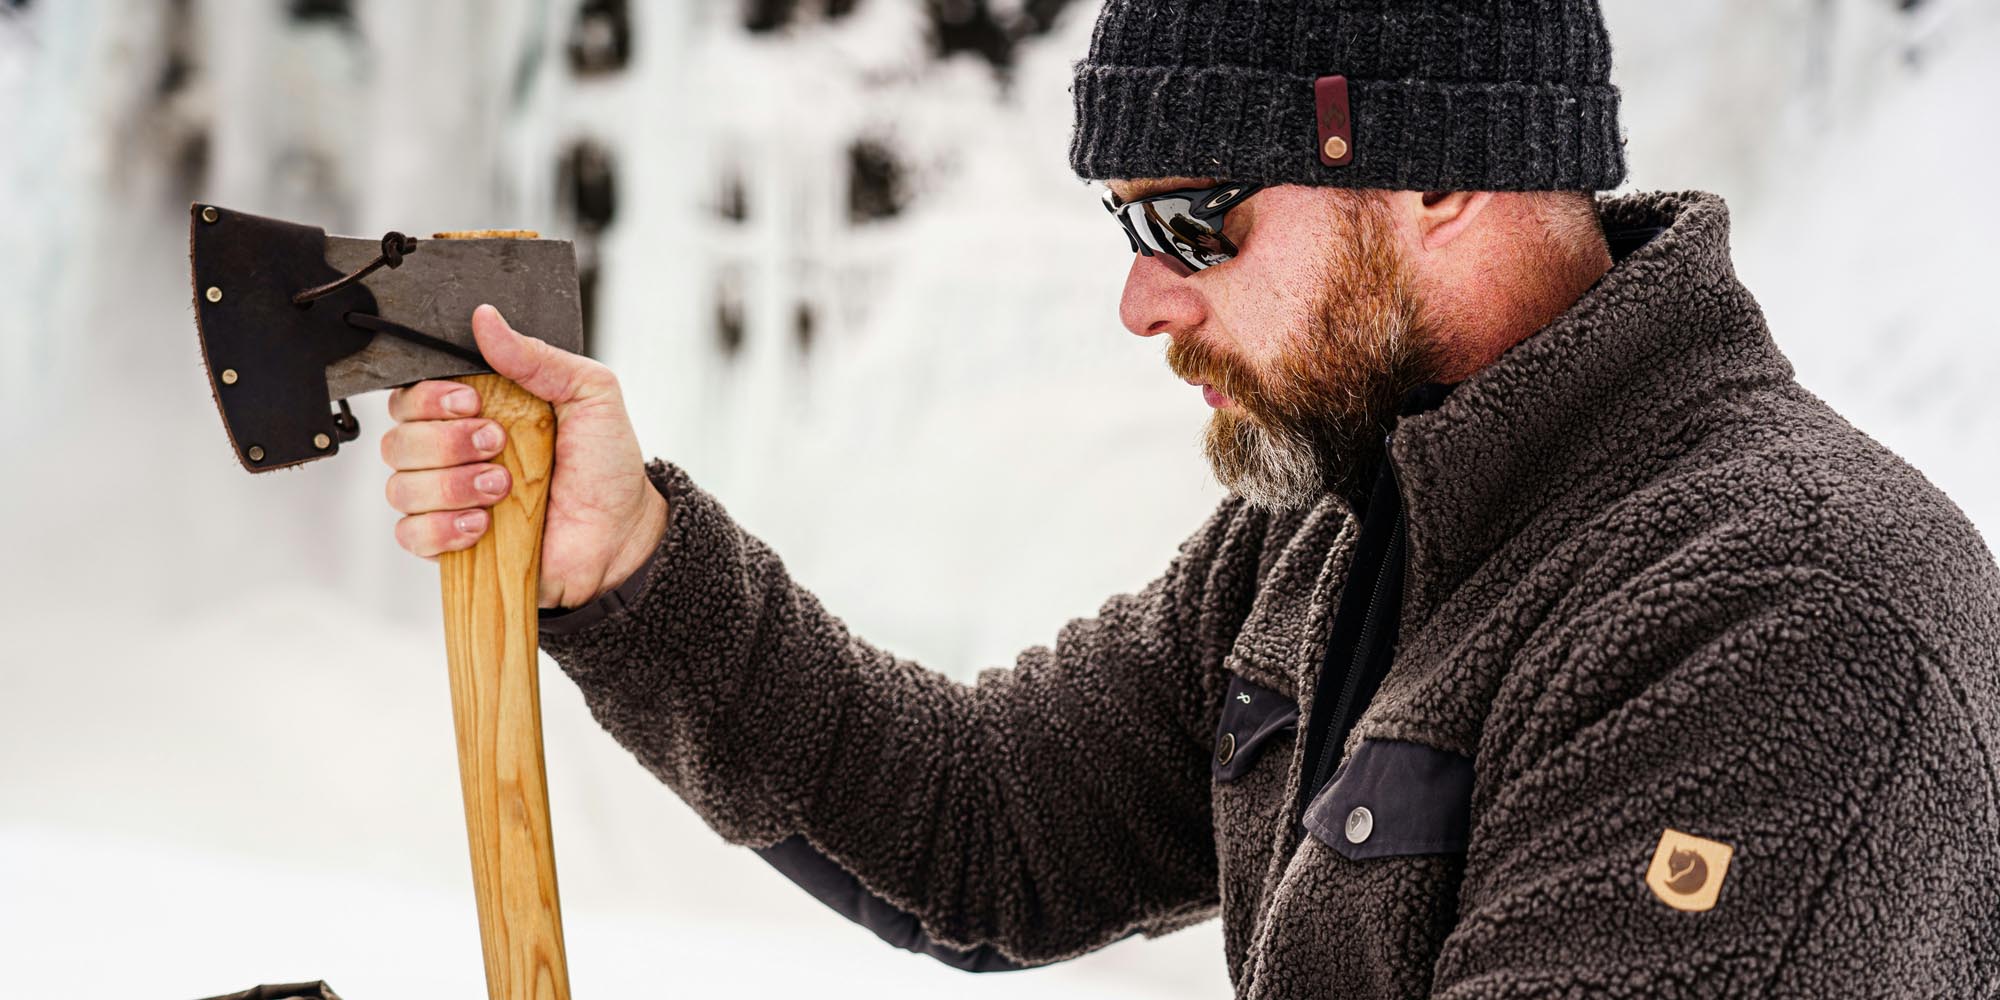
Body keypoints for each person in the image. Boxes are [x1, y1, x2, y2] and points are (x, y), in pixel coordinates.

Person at [377, 1, 2000, 996]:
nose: (1144, 308)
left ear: (1437, 174)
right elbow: (987, 822)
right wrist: (633, 566)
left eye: (1191, 228)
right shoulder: (1338, 530)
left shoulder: (1791, 618)